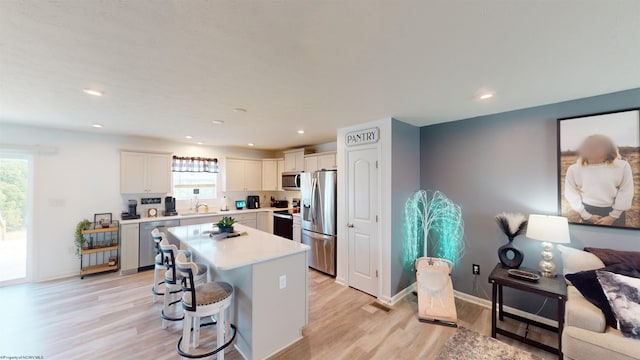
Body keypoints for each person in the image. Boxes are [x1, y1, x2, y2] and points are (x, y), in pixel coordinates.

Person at [564, 134, 634, 227]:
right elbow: (570, 193)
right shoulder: (574, 169)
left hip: (615, 212)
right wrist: (586, 215)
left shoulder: (622, 166)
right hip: (587, 211)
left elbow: (626, 191)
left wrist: (613, 216)